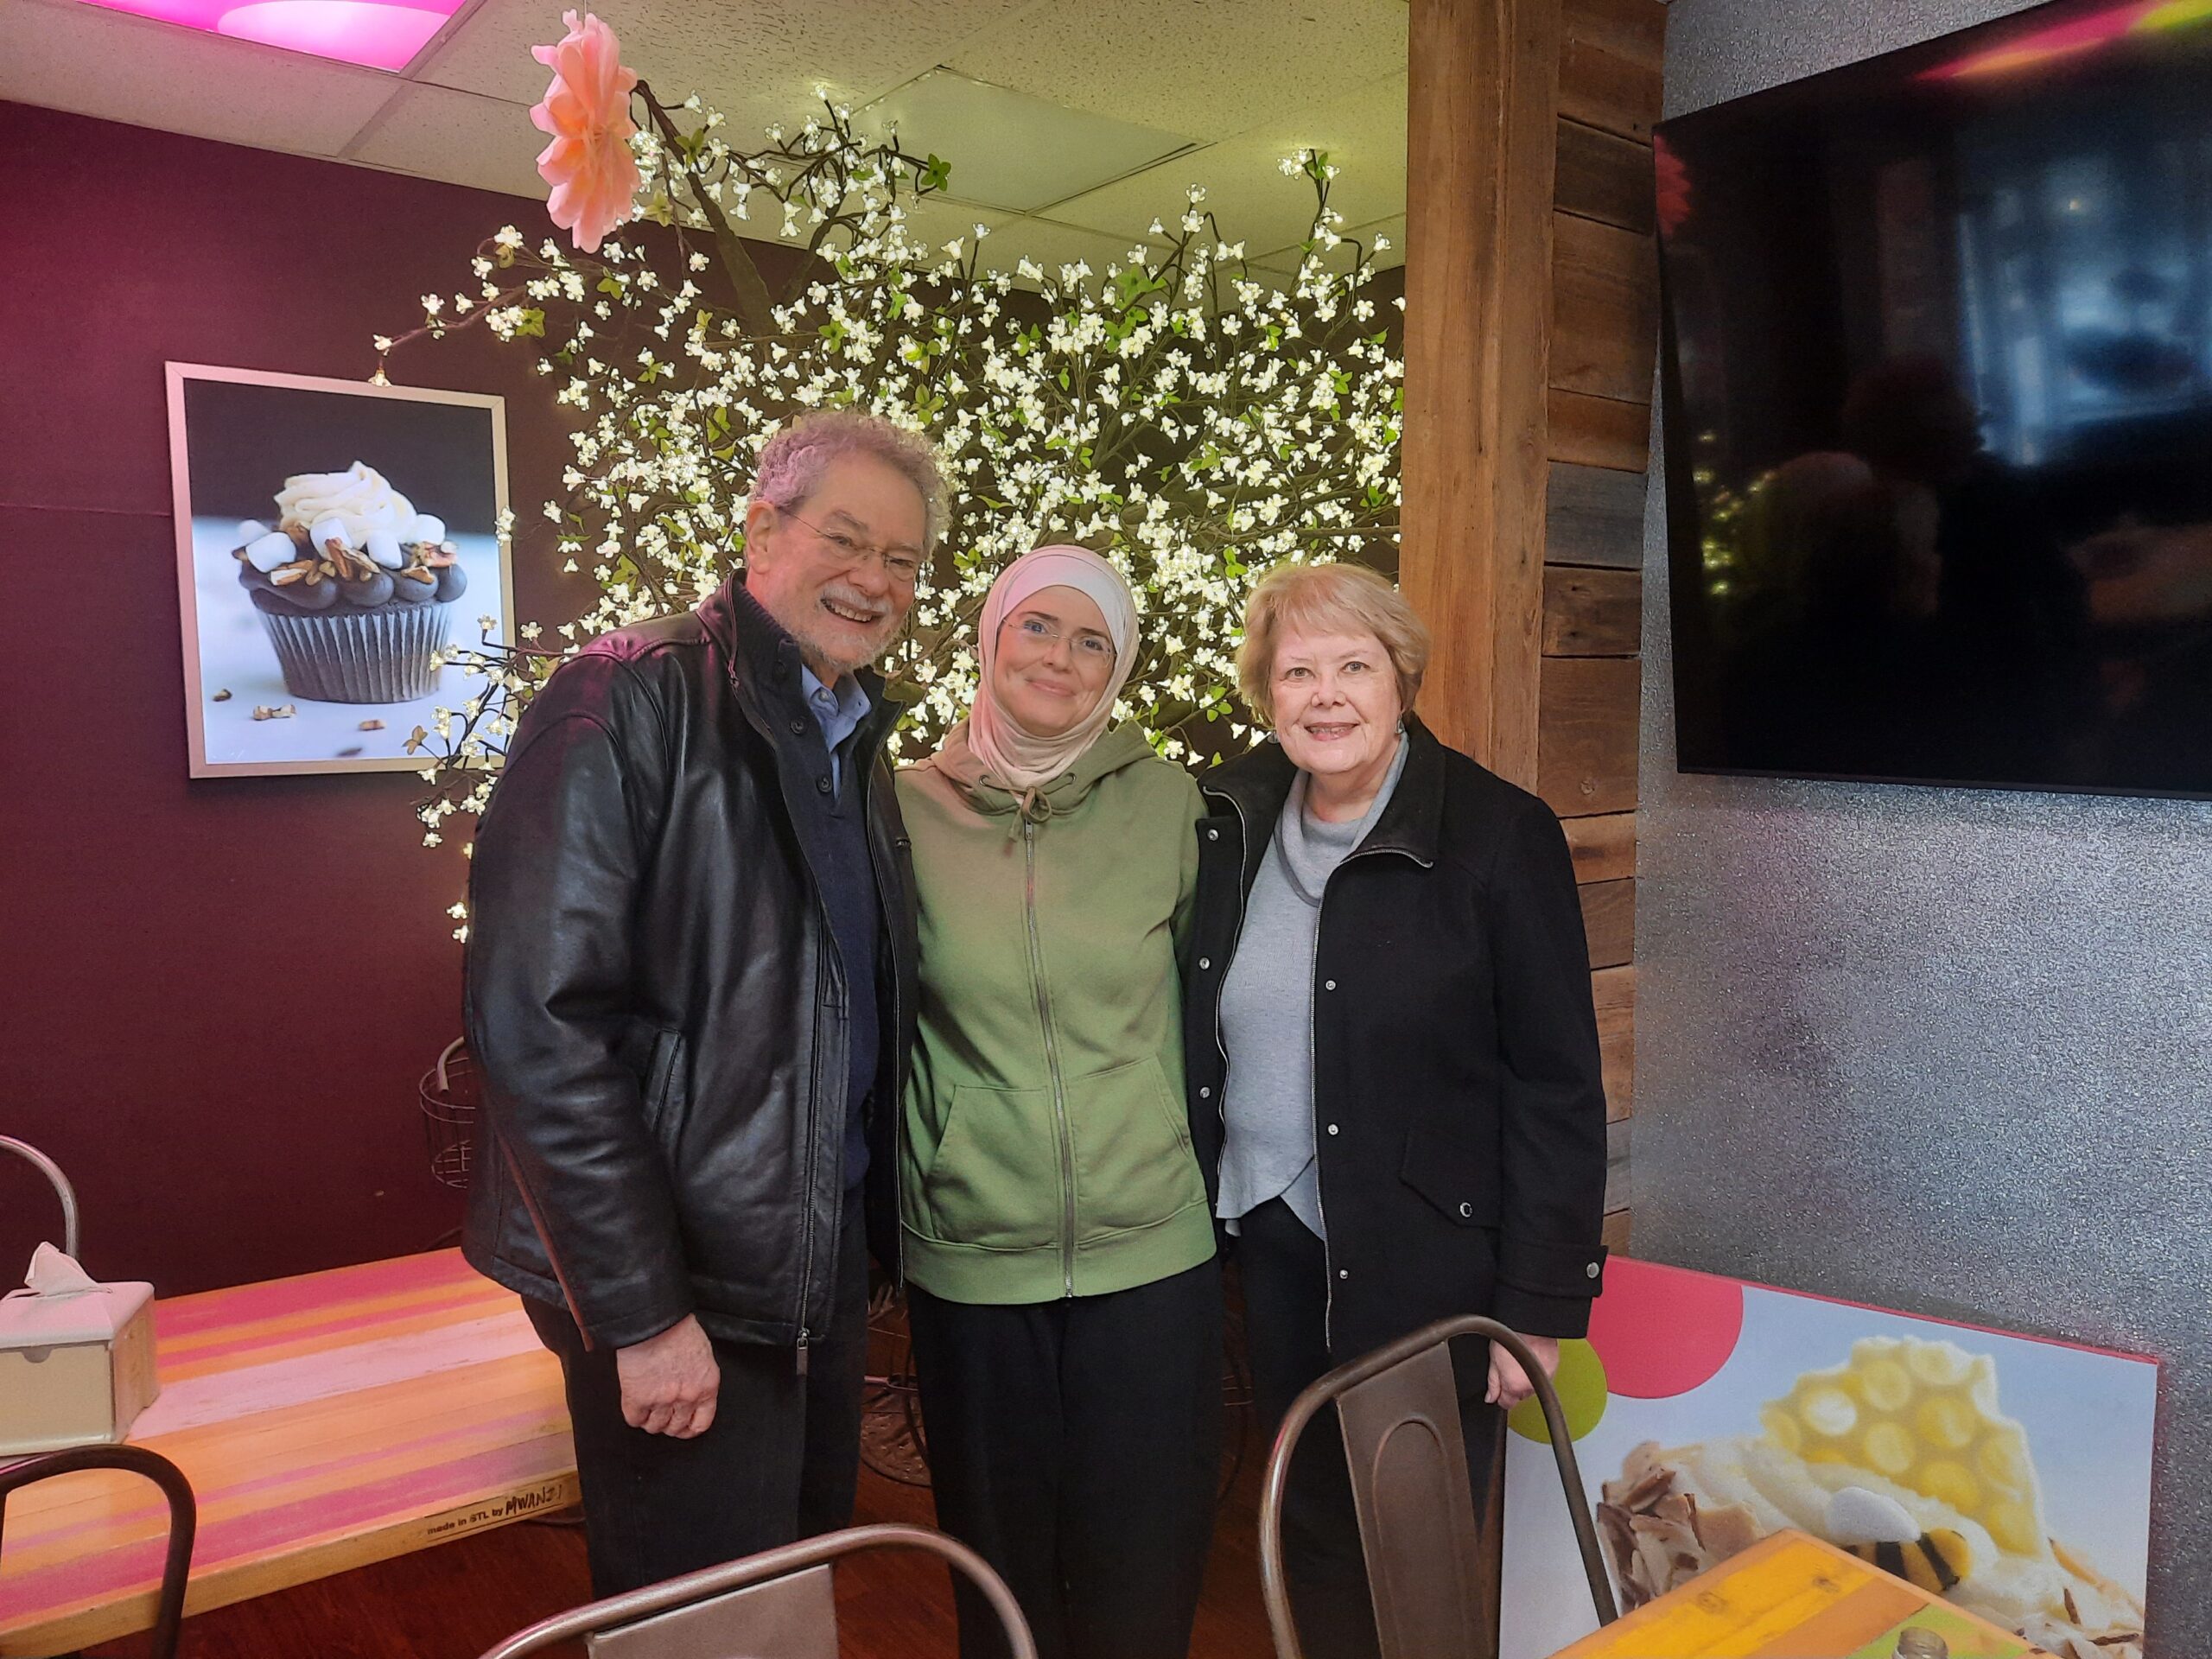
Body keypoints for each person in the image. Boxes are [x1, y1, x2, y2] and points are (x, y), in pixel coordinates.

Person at [461, 409, 944, 1596]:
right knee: (707, 1626)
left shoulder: (853, 738)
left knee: (785, 1598)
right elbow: (539, 1025)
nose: (874, 580)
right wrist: (639, 1314)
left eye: (904, 560)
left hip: (805, 1264)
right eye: (847, 539)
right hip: (681, 1285)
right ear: (762, 530)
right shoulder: (623, 700)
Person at [1183, 561, 1610, 1659]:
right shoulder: (1226, 818)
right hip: (1276, 1239)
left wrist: (1542, 1303)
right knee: (1312, 1519)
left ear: (1400, 680)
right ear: (1264, 693)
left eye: (1352, 667)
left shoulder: (1498, 834)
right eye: (1297, 672)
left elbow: (1556, 1083)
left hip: (1431, 1254)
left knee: (1414, 1539)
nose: (1325, 696)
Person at [896, 545, 1222, 1659]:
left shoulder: (1172, 804)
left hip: (1153, 1249)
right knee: (998, 1576)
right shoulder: (899, 812)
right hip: (972, 1247)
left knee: (1144, 1565)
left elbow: (1210, 1001)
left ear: (1118, 669)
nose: (1061, 658)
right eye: (1038, 626)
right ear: (988, 638)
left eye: (1094, 641)